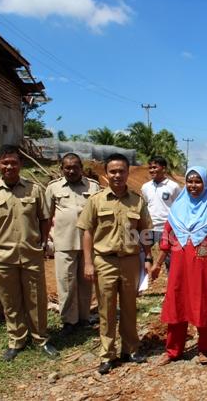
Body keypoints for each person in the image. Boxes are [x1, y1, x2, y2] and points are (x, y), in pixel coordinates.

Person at [0, 144, 58, 361]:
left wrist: (41, 242)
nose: (9, 166)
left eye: (14, 162)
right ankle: (16, 341)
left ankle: (41, 339)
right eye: (5, 163)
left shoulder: (34, 190)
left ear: (21, 164)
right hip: (3, 257)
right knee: (10, 301)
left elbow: (44, 219)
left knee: (36, 299)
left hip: (31, 254)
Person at [76, 153, 153, 375]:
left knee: (129, 308)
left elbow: (145, 232)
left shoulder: (137, 200)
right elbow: (87, 232)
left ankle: (130, 349)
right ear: (106, 174)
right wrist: (88, 263)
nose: (117, 175)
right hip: (105, 262)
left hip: (130, 261)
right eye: (113, 171)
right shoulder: (96, 200)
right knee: (106, 309)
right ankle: (107, 354)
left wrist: (147, 258)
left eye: (121, 171)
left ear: (128, 173)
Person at [152, 166, 207, 366]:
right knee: (177, 304)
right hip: (179, 268)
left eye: (198, 181)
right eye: (190, 181)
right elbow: (166, 239)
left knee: (205, 305)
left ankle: (206, 348)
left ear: (205, 184)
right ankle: (173, 350)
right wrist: (157, 264)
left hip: (205, 267)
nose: (193, 185)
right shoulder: (177, 210)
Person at [45, 153, 100, 336]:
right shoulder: (53, 188)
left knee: (86, 284)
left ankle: (83, 319)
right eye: (67, 168)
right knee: (66, 284)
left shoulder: (93, 186)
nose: (71, 171)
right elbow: (46, 217)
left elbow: (99, 216)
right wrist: (45, 240)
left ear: (81, 168)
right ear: (62, 169)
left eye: (75, 167)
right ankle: (69, 321)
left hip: (87, 245)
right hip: (64, 243)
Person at [140, 156, 182, 272]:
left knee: (170, 259)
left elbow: (179, 207)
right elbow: (144, 206)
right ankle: (140, 287)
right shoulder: (145, 187)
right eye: (150, 168)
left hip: (168, 229)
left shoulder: (173, 187)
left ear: (163, 168)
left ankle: (171, 289)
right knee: (143, 257)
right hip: (149, 228)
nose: (152, 170)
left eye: (155, 167)